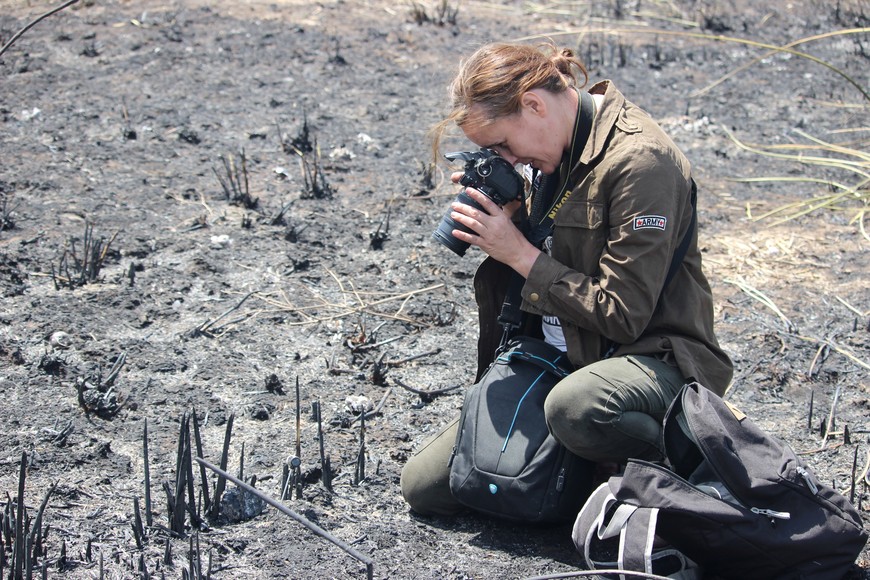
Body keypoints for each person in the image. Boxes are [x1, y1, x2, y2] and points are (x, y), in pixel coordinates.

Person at [400, 41, 733, 517]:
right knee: (426, 487)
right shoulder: (548, 153)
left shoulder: (641, 162)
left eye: (502, 146)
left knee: (575, 410)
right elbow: (542, 265)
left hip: (651, 357)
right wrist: (511, 219)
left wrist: (520, 254)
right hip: (561, 356)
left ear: (534, 104)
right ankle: (579, 484)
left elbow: (624, 315)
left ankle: (682, 464)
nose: (507, 159)